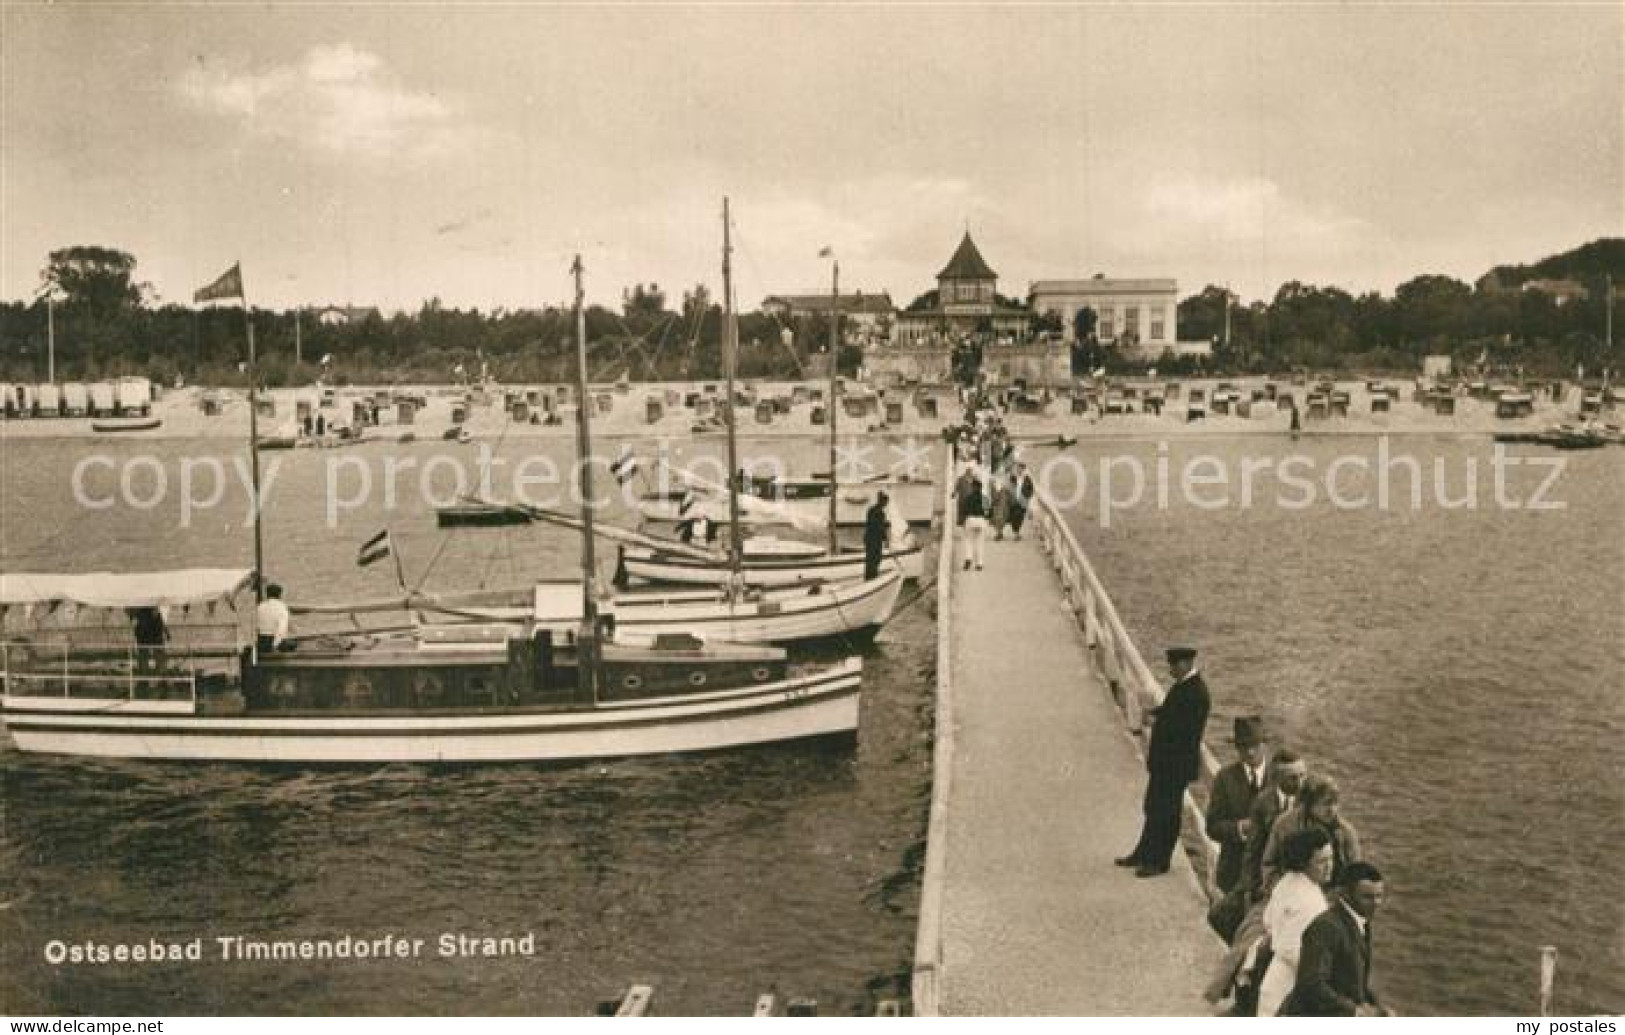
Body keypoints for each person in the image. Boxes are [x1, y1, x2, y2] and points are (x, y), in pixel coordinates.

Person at [1116, 646, 1211, 877]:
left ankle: (1159, 861)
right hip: (1167, 763)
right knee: (1153, 806)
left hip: (1175, 765)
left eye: (1174, 666)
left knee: (1166, 812)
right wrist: (1157, 713)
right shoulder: (1186, 687)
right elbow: (1171, 711)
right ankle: (1144, 852)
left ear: (1186, 664)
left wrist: (1157, 722)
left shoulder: (1197, 692)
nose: (1170, 670)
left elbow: (1182, 729)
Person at [1281, 861, 1391, 1016]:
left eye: (1379, 896)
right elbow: (1312, 985)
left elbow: (1356, 981)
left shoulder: (1360, 921)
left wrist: (1379, 1007)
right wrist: (1354, 1011)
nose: (1376, 903)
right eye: (1367, 897)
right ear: (1345, 894)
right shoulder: (1326, 927)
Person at [1256, 827, 1334, 1017]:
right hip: (1290, 989)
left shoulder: (1287, 882)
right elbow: (1290, 948)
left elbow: (1268, 920)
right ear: (1304, 863)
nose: (1330, 866)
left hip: (1273, 980)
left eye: (1331, 858)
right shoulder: (1310, 902)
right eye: (1322, 861)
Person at [1260, 774, 1361, 894]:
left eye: (1335, 803)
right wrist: (1283, 890)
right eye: (1326, 803)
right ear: (1309, 803)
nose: (1332, 810)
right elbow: (1269, 864)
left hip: (1331, 897)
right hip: (1290, 892)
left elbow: (1355, 875)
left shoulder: (1346, 832)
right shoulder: (1285, 825)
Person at [1205, 715, 1270, 895]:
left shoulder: (1280, 779)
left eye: (1255, 745)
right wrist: (1239, 828)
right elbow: (1212, 826)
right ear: (1236, 747)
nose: (1250, 752)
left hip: (1268, 877)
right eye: (1243, 746)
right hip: (1233, 874)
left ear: (1265, 744)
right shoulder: (1225, 778)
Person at [129, 606, 168, 680]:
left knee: (158, 653)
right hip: (144, 630)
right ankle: (144, 679)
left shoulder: (156, 614)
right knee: (144, 654)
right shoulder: (141, 614)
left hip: (153, 631)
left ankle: (162, 678)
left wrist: (165, 631)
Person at [255, 583, 292, 655]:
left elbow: (256, 626)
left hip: (261, 641)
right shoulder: (281, 607)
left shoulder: (260, 606)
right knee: (292, 644)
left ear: (267, 594)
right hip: (273, 642)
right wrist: (275, 645)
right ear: (279, 595)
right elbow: (281, 629)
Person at [959, 475, 988, 572]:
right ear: (981, 487)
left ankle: (968, 557)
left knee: (969, 540)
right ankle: (979, 563)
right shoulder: (984, 498)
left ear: (972, 487)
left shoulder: (968, 498)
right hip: (981, 520)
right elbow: (989, 512)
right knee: (979, 542)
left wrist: (963, 521)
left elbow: (963, 510)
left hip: (970, 520)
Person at [863, 491, 890, 580]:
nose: (886, 504)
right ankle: (872, 577)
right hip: (875, 539)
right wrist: (886, 540)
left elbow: (870, 525)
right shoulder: (880, 513)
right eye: (886, 502)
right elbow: (880, 527)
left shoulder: (871, 510)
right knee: (875, 559)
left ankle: (869, 577)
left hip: (869, 538)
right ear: (883, 502)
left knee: (870, 559)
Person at [1009, 463, 1034, 540]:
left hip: (1023, 500)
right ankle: (1016, 532)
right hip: (1014, 499)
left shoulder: (1027, 478)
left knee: (1020, 516)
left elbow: (1031, 489)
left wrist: (1027, 497)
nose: (1019, 470)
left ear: (1024, 469)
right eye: (1018, 468)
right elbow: (1008, 484)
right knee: (1014, 516)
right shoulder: (1013, 477)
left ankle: (1017, 533)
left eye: (1020, 469)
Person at [989, 476, 1011, 541]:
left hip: (1000, 507)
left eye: (991, 483)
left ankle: (999, 534)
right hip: (1003, 506)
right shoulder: (1002, 488)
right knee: (999, 520)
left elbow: (995, 498)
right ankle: (1000, 533)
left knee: (998, 520)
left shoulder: (996, 488)